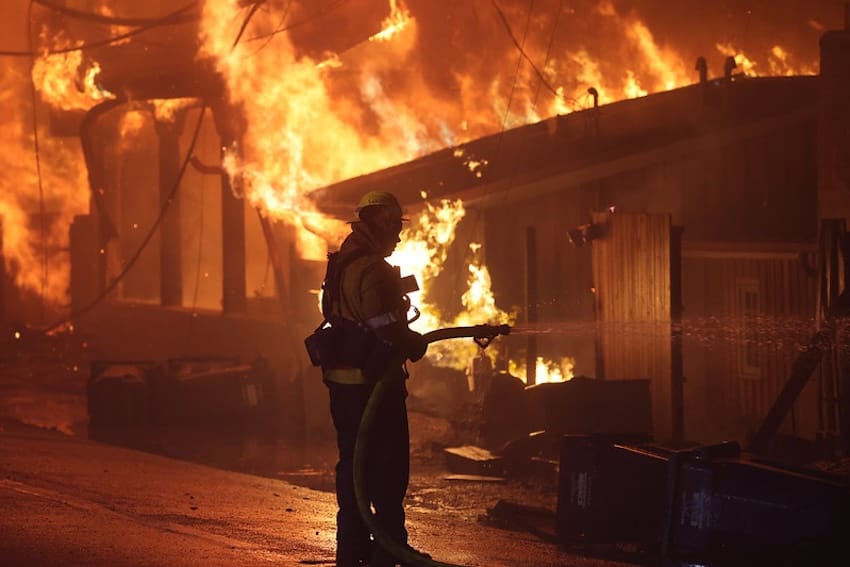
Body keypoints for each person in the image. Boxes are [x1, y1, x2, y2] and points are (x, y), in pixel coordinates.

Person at [320, 190, 428, 567]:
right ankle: (389, 549)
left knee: (354, 464)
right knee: (388, 468)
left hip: (343, 384)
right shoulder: (372, 268)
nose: (398, 234)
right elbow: (383, 326)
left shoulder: (341, 262)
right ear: (381, 222)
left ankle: (352, 550)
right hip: (373, 386)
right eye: (396, 225)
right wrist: (412, 341)